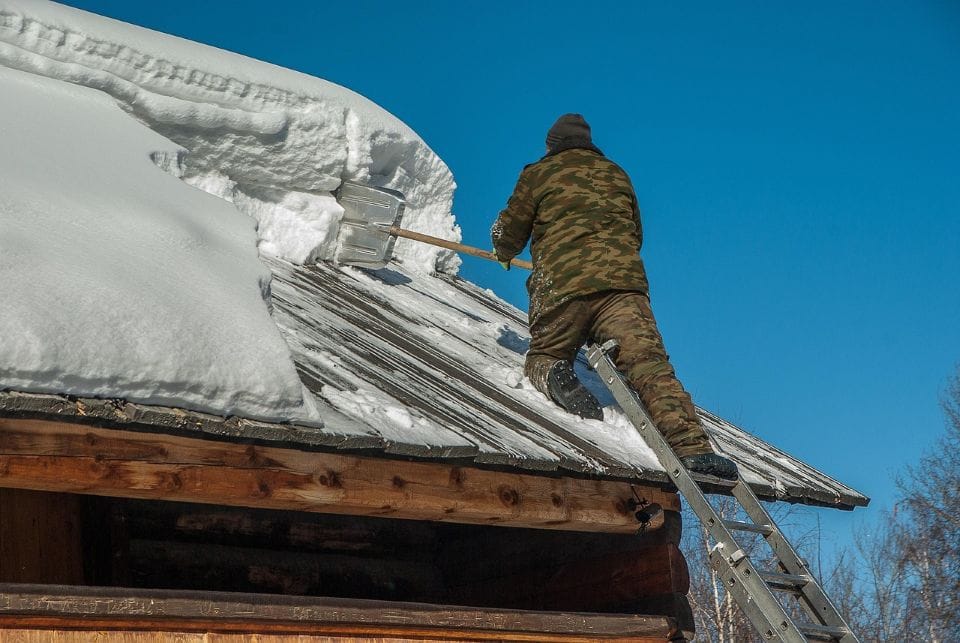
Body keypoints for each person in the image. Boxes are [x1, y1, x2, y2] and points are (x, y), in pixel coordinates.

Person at [491, 114, 738, 480]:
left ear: (552, 145)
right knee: (650, 365)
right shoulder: (617, 174)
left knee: (546, 352)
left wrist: (503, 251)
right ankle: (693, 448)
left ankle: (555, 372)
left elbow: (509, 231)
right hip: (623, 287)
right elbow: (635, 233)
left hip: (562, 285)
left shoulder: (538, 173)